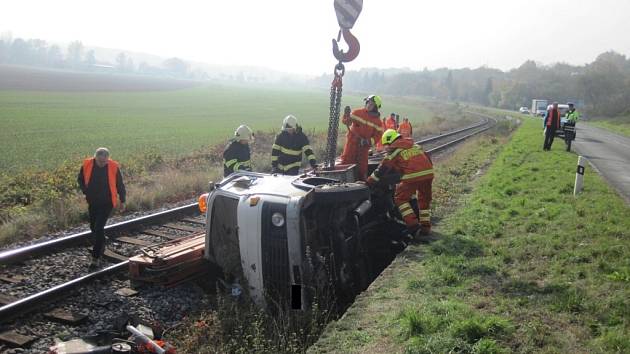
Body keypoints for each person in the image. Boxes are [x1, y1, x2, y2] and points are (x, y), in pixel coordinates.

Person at [367, 129, 434, 238]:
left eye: (386, 145)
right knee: (424, 200)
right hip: (428, 174)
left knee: (400, 198)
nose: (386, 148)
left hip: (413, 176)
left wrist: (369, 182)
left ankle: (413, 226)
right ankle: (425, 228)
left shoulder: (395, 151)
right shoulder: (415, 145)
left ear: (390, 141)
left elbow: (382, 169)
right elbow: (427, 158)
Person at [78, 147, 126, 269]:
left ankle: (96, 258)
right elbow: (80, 179)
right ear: (95, 158)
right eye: (100, 161)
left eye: (105, 161)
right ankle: (102, 241)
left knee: (98, 228)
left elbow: (120, 184)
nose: (103, 163)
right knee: (93, 227)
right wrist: (85, 191)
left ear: (108, 158)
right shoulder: (87, 164)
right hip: (93, 201)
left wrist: (123, 200)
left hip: (107, 202)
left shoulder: (113, 166)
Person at [340, 94, 384, 180]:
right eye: (368, 103)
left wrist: (368, 141)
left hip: (364, 149)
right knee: (346, 164)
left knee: (362, 169)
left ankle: (361, 185)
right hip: (351, 145)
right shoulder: (357, 112)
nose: (368, 105)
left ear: (375, 107)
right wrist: (346, 115)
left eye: (371, 104)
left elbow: (378, 135)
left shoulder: (378, 122)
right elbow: (346, 122)